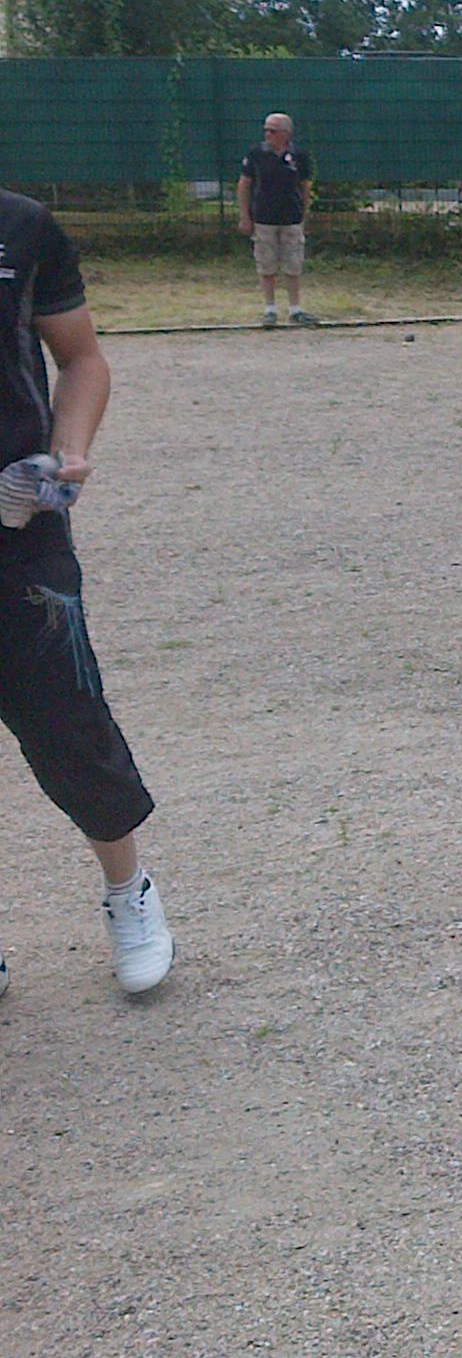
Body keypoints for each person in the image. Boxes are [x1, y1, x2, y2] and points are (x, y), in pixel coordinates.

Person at [0, 189, 175, 998]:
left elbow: (81, 360)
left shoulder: (23, 227)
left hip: (17, 529)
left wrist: (68, 453)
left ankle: (127, 892)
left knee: (67, 720)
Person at [237, 111, 314, 327]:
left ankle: (295, 309)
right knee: (266, 264)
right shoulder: (256, 153)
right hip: (263, 217)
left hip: (291, 217)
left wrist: (303, 214)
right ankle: (270, 309)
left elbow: (305, 186)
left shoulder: (299, 155)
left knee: (293, 264)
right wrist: (245, 215)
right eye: (266, 130)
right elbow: (244, 184)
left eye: (272, 131)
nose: (267, 135)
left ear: (285, 133)